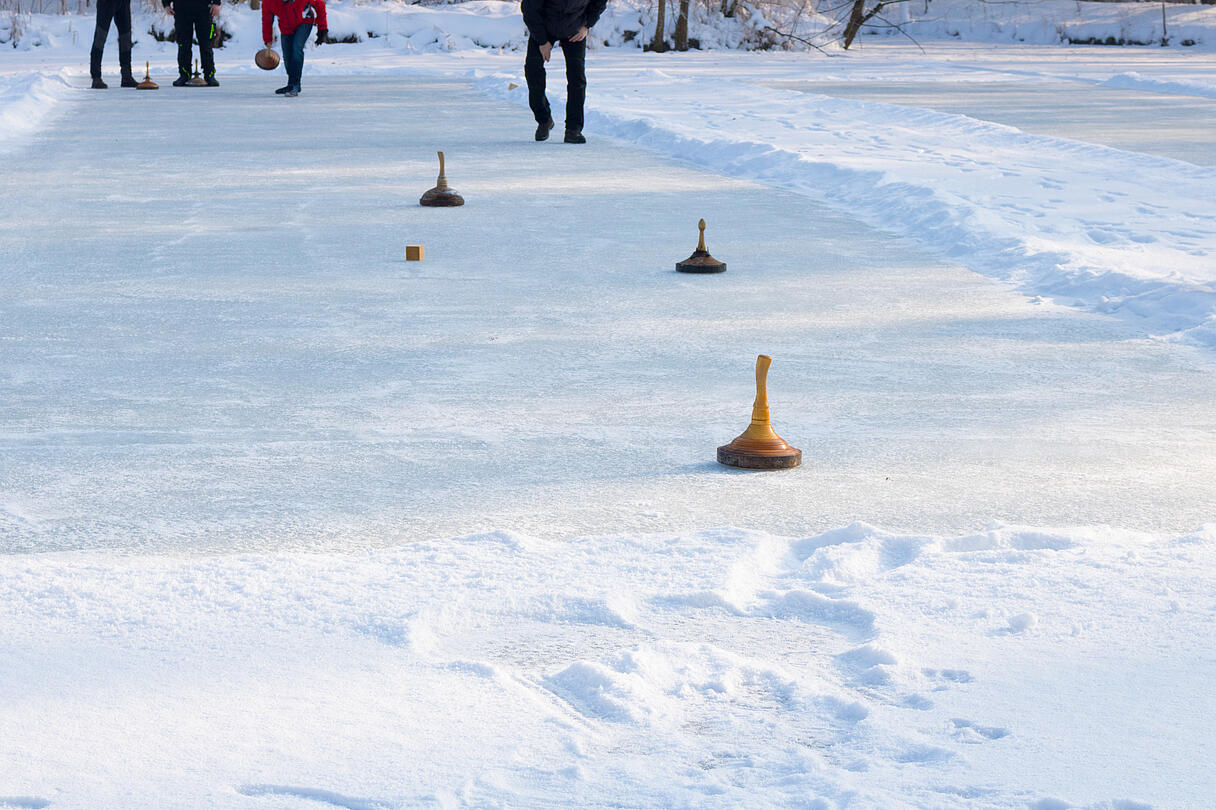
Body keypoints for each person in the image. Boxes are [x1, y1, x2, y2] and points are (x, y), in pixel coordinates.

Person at [521, 0, 607, 143]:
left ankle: (573, 130)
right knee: (532, 70)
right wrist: (542, 41)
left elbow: (599, 3)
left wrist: (586, 26)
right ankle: (544, 119)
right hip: (544, 27)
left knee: (577, 78)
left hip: (575, 28)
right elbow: (529, 10)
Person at [262, 0, 328, 97]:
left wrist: (322, 28)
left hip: (305, 21)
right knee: (287, 55)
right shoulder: (269, 2)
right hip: (286, 26)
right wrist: (267, 39)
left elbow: (320, 4)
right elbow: (267, 20)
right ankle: (291, 84)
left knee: (297, 47)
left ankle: (295, 84)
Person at [164, 0, 221, 87]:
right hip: (181, 9)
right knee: (183, 44)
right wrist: (166, 4)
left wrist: (216, 3)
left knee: (206, 44)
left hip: (204, 8)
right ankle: (184, 75)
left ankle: (209, 75)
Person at [90, 0, 135, 89]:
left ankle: (126, 76)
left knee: (126, 37)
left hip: (124, 3)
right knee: (100, 36)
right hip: (106, 3)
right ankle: (96, 77)